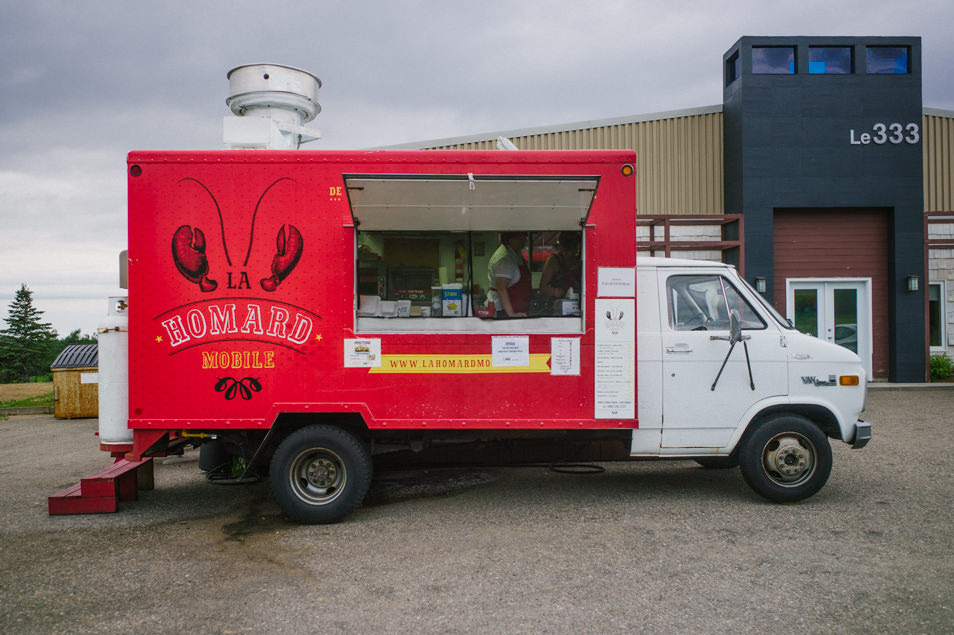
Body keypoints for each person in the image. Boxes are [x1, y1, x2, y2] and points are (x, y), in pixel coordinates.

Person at [486, 232, 530, 317]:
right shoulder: (504, 258)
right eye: (521, 239)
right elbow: (501, 287)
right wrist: (511, 314)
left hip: (518, 308)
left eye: (525, 238)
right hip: (503, 311)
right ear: (510, 240)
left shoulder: (515, 253)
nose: (524, 241)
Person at [540, 232, 581, 302]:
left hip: (578, 303)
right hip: (558, 306)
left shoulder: (581, 260)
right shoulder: (554, 260)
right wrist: (555, 291)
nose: (571, 252)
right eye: (568, 247)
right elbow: (543, 287)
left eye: (574, 246)